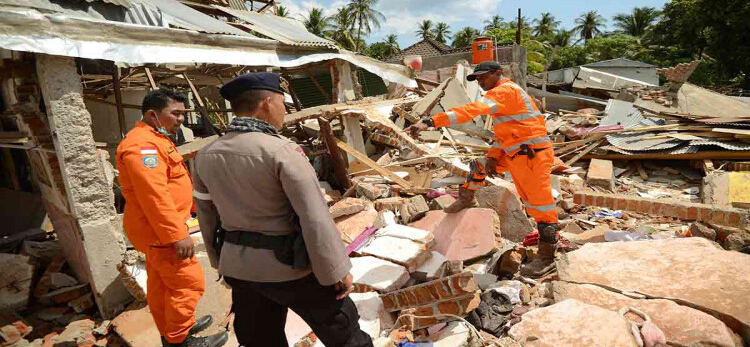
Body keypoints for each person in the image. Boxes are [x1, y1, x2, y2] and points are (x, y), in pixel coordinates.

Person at [193, 72, 372, 347]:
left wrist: (221, 261)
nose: (284, 111)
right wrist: (336, 271)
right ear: (266, 102)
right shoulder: (281, 151)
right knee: (345, 335)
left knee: (260, 339)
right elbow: (314, 218)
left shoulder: (206, 155)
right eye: (281, 103)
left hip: (241, 270)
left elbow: (206, 216)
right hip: (291, 269)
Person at [407, 61, 558, 277]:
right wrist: (494, 158)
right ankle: (467, 197)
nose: (480, 81)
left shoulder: (505, 91)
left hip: (532, 155)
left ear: (498, 74)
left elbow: (471, 110)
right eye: (477, 79)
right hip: (516, 153)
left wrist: (431, 122)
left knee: (540, 206)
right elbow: (504, 134)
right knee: (479, 165)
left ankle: (547, 257)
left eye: (483, 77)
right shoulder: (503, 97)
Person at [116, 89, 228, 347]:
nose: (181, 119)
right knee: (187, 283)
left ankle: (173, 330)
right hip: (160, 232)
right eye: (175, 114)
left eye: (182, 114)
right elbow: (154, 195)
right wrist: (176, 235)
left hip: (155, 230)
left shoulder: (155, 139)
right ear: (153, 115)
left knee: (162, 287)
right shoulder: (143, 146)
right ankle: (181, 341)